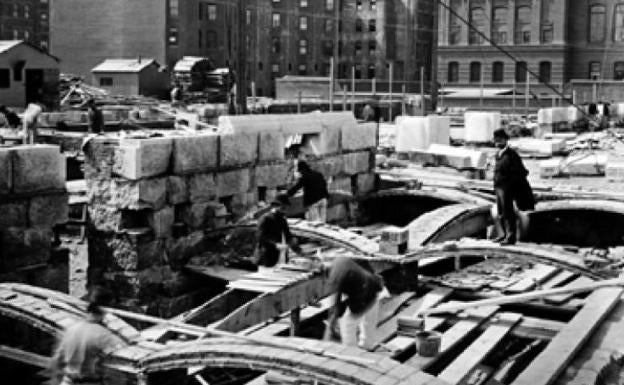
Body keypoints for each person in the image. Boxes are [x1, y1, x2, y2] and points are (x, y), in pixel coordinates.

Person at [50, 286, 126, 385]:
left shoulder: (71, 329)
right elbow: (114, 369)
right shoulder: (104, 335)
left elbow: (57, 360)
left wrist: (56, 380)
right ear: (106, 310)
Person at [325, 256, 386, 351]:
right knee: (368, 320)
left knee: (347, 323)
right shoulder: (341, 260)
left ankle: (351, 353)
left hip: (365, 292)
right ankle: (368, 346)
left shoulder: (335, 277)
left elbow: (335, 306)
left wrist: (330, 328)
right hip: (374, 288)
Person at [493, 128, 534, 245]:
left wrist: (512, 186)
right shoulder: (498, 155)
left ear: (505, 140)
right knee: (501, 213)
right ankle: (503, 234)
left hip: (507, 189)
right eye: (496, 141)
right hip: (498, 188)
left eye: (500, 140)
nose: (498, 143)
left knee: (508, 213)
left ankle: (511, 237)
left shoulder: (512, 155)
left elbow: (521, 172)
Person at [255, 194, 301, 271]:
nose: (285, 210)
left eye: (286, 207)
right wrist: (276, 245)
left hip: (282, 260)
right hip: (267, 260)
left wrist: (298, 249)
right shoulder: (265, 218)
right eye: (283, 207)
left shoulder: (283, 219)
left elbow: (288, 236)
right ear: (275, 206)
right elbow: (260, 238)